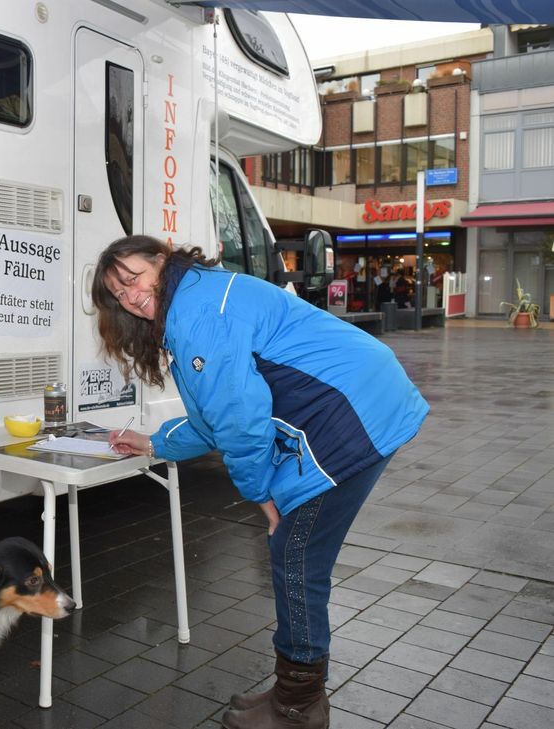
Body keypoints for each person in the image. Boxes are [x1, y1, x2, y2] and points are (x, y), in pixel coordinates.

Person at [92, 235, 428, 729]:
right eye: (119, 294)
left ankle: (297, 706)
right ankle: (297, 693)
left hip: (353, 412)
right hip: (363, 399)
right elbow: (212, 418)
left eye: (134, 279)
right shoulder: (196, 296)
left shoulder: (197, 313)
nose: (131, 297)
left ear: (161, 260)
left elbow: (238, 420)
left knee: (296, 556)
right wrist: (154, 443)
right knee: (297, 554)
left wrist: (262, 494)